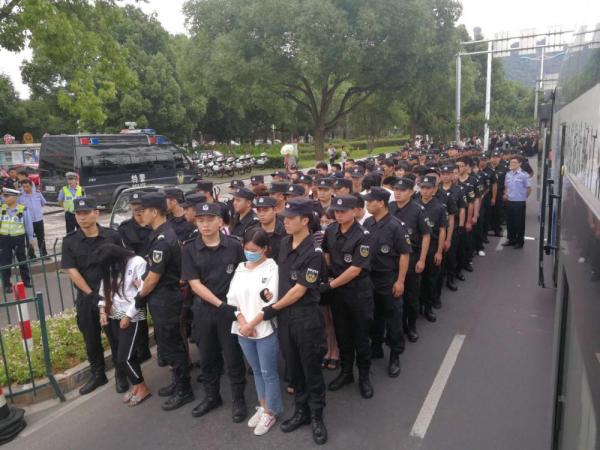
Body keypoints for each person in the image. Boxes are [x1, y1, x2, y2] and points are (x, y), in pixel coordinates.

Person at [257, 197, 327, 445]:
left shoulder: (315, 253)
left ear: (305, 220)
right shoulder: (285, 243)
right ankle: (301, 411)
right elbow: (280, 277)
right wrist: (268, 293)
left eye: (290, 218)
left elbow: (300, 290)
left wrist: (271, 308)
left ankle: (317, 415)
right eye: (284, 217)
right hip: (286, 318)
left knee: (311, 369)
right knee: (293, 368)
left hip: (306, 319)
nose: (284, 221)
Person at [181, 202, 247, 422]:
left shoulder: (235, 246)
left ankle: (239, 400)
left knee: (233, 357)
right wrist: (220, 304)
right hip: (204, 311)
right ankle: (212, 397)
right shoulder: (189, 248)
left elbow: (244, 275)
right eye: (201, 220)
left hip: (230, 312)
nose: (205, 224)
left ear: (221, 221)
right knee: (208, 357)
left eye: (210, 219)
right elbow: (194, 284)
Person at [135, 192, 194, 411]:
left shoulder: (163, 239)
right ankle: (178, 382)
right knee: (167, 343)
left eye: (144, 210)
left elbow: (153, 277)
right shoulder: (160, 233)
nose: (140, 214)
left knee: (173, 344)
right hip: (162, 298)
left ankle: (184, 389)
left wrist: (139, 297)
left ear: (154, 211)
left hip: (166, 298)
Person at [61, 198, 124, 395]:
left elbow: (122, 265)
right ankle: (98, 374)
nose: (82, 218)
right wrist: (92, 295)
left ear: (96, 213)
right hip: (87, 299)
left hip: (111, 296)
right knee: (91, 338)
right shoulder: (70, 241)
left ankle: (121, 373)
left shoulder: (112, 236)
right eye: (78, 214)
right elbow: (72, 271)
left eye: (86, 213)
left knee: (115, 338)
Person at [227, 228, 283, 436]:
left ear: (265, 249)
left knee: (269, 372)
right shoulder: (241, 268)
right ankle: (262, 405)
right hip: (242, 330)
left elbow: (271, 301)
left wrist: (252, 324)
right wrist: (242, 322)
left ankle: (272, 411)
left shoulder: (272, 269)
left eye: (255, 249)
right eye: (247, 249)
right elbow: (231, 299)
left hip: (264, 329)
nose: (250, 253)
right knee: (257, 371)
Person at [321, 195, 374, 399]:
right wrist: (329, 272)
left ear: (355, 211)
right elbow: (326, 252)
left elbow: (355, 270)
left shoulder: (363, 235)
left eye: (343, 211)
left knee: (360, 336)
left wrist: (330, 285)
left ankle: (364, 377)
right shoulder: (332, 229)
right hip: (338, 294)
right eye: (336, 211)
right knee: (342, 335)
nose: (339, 215)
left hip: (358, 293)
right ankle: (346, 373)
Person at [95, 244, 152, 407]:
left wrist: (128, 316)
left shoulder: (137, 262)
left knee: (124, 357)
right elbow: (102, 290)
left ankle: (142, 387)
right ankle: (136, 386)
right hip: (112, 314)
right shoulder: (108, 266)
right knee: (122, 357)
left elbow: (142, 292)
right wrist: (102, 311)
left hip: (132, 316)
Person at [363, 187, 411, 378]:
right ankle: (376, 347)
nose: (367, 204)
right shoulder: (367, 222)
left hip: (388, 279)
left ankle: (395, 355)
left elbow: (404, 255)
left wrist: (400, 281)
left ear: (381, 203)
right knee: (373, 316)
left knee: (393, 319)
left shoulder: (395, 226)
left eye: (370, 201)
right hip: (370, 278)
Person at [390, 177, 431, 342]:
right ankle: (396, 326)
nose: (398, 193)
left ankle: (411, 326)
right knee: (393, 296)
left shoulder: (417, 210)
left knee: (411, 296)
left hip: (412, 257)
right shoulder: (390, 207)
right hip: (392, 259)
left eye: (402, 190)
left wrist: (422, 259)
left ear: (411, 192)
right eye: (396, 190)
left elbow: (426, 235)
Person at [415, 176, 447, 320]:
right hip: (416, 246)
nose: (425, 191)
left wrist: (439, 252)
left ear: (434, 189)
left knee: (430, 279)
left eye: (428, 188)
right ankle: (417, 306)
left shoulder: (439, 207)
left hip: (432, 246)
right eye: (422, 187)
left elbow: (442, 230)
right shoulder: (414, 204)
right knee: (416, 281)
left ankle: (428, 308)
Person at [0, 188, 34, 292]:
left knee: (22, 259)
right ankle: (7, 284)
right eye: (4, 196)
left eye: (7, 196)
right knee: (5, 262)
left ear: (14, 198)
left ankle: (26, 281)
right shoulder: (2, 209)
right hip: (4, 238)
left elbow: (28, 225)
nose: (4, 198)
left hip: (18, 238)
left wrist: (31, 239)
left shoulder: (23, 209)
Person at [503, 157, 531, 249]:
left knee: (519, 223)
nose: (512, 164)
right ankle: (511, 239)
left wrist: (523, 197)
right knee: (509, 222)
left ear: (519, 164)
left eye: (514, 162)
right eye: (511, 162)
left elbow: (529, 188)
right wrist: (506, 194)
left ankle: (519, 242)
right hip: (510, 201)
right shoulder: (508, 174)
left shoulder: (524, 175)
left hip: (519, 202)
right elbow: (506, 186)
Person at [18, 178, 47, 258]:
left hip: (39, 220)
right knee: (29, 238)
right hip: (28, 222)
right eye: (24, 187)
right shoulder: (20, 197)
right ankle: (31, 255)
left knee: (41, 237)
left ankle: (43, 254)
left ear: (31, 186)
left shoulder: (38, 194)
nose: (25, 189)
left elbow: (43, 203)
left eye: (27, 186)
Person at [252, 196, 286, 263]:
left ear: (275, 210)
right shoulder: (252, 232)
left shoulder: (285, 232)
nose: (261, 214)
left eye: (265, 210)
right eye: (259, 210)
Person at [117, 192, 152, 257]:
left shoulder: (154, 224)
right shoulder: (124, 228)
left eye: (139, 205)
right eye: (134, 204)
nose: (136, 208)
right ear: (130, 207)